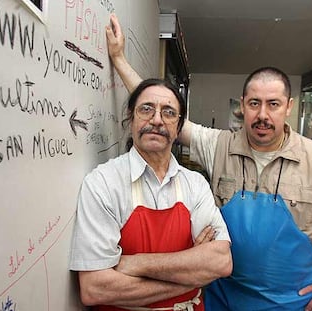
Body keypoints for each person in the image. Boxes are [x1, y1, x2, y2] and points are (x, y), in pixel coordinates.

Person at [105, 13, 312, 311]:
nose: (263, 114)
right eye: (254, 103)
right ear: (242, 107)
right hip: (223, 296)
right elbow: (160, 110)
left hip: (292, 301)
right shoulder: (219, 145)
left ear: (288, 107)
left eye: (273, 104)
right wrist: (119, 59)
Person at [69, 78, 232, 311]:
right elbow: (95, 288)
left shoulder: (195, 184)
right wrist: (191, 277)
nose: (156, 120)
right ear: (130, 118)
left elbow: (221, 262)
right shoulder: (103, 182)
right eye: (146, 109)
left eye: (168, 112)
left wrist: (135, 264)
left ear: (178, 127)